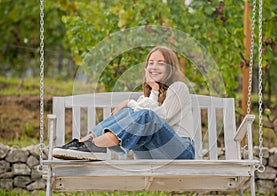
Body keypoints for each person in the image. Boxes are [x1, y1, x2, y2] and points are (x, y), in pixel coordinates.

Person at [52, 46, 195, 160]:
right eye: (150, 63)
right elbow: (147, 119)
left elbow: (161, 118)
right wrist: (149, 95)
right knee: (130, 112)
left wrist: (130, 102)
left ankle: (94, 146)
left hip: (180, 152)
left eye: (161, 63)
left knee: (144, 115)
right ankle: (83, 143)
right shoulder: (146, 98)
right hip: (152, 153)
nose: (154, 67)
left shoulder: (178, 87)